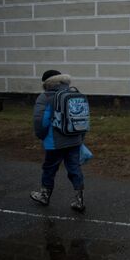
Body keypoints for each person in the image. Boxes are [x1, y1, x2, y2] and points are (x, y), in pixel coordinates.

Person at [30, 70, 86, 212]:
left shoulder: (46, 97)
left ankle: (44, 195)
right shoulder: (74, 94)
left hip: (55, 141)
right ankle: (79, 199)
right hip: (75, 139)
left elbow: (41, 121)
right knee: (74, 168)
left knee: (49, 168)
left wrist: (41, 136)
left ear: (46, 83)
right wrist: (80, 138)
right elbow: (83, 119)